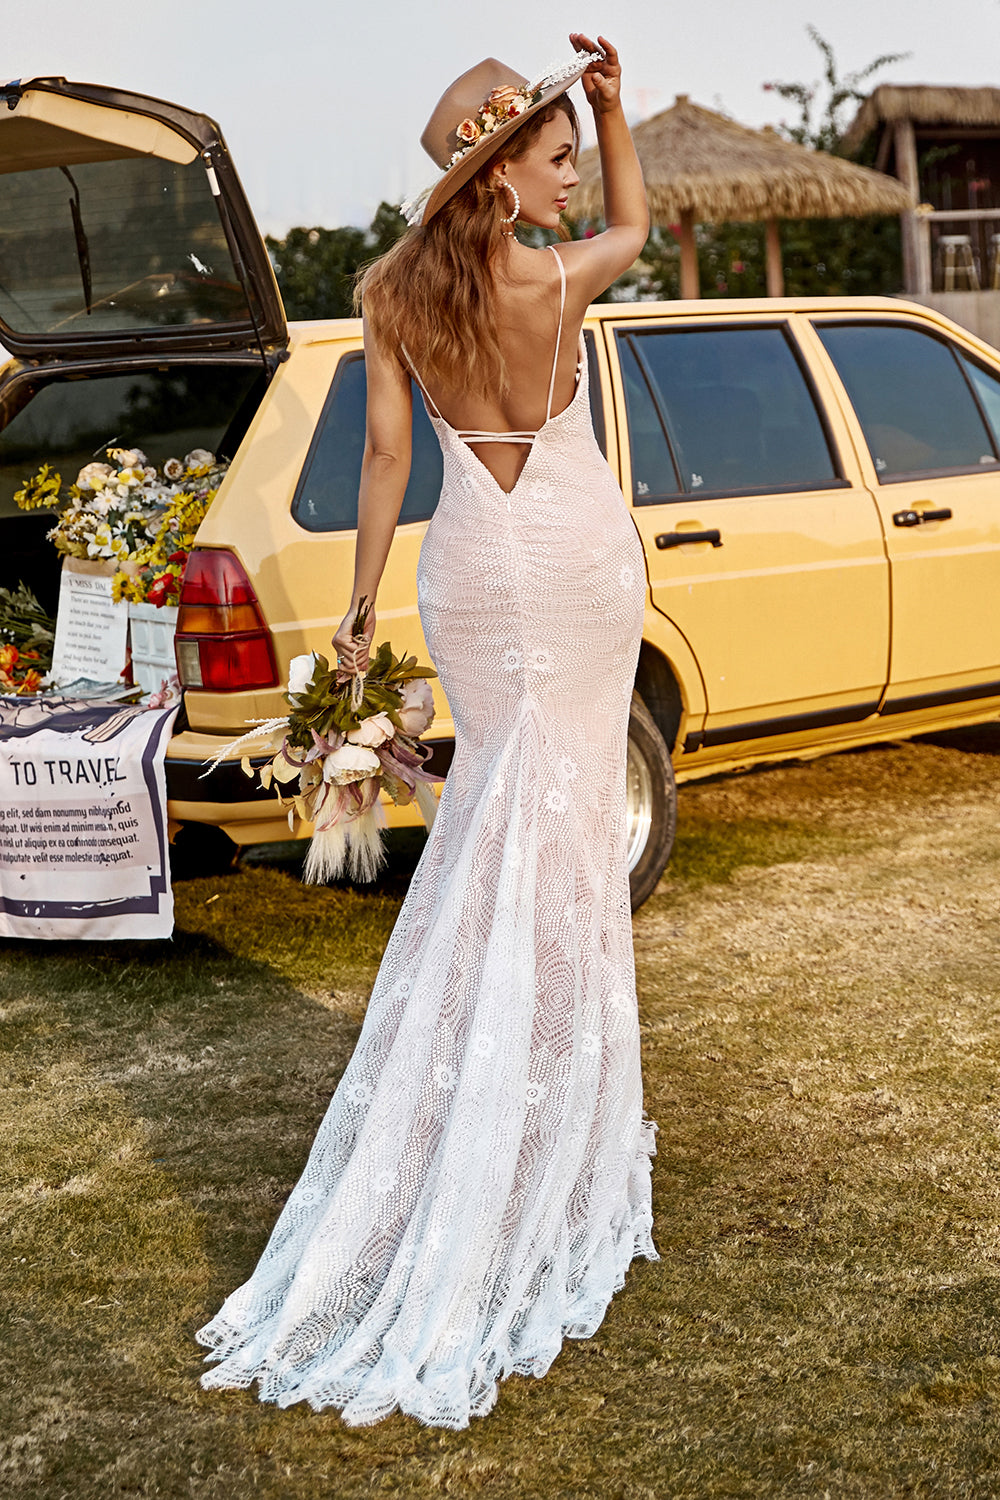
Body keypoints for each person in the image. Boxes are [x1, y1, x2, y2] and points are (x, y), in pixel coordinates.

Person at [196, 32, 658, 1430]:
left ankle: (497, 1121)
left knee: (492, 826)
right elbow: (639, 225)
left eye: (578, 147)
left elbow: (387, 461)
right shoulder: (556, 277)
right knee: (565, 839)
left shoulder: (394, 298)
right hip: (578, 561)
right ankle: (546, 1141)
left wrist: (350, 615)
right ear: (502, 169)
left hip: (477, 569)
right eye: (559, 150)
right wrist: (628, 102)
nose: (575, 175)